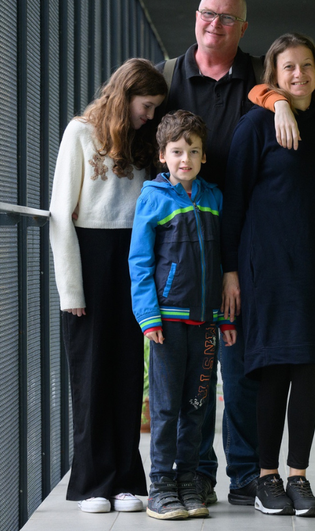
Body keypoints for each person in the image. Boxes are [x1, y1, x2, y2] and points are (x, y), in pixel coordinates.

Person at [222, 32, 315, 517]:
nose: (299, 74)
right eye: (288, 68)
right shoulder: (256, 126)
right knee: (272, 371)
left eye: (307, 65)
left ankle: (299, 477)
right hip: (268, 269)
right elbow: (234, 203)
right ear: (274, 75)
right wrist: (229, 271)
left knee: (306, 370)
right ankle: (267, 477)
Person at [156, 0, 262, 507]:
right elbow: (123, 118)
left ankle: (244, 477)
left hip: (246, 241)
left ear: (243, 28)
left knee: (239, 366)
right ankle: (191, 474)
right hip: (182, 249)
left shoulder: (262, 76)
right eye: (207, 14)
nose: (214, 24)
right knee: (189, 376)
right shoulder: (169, 77)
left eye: (227, 18)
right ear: (195, 18)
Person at [48, 57, 166, 513]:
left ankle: (124, 480)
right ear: (126, 95)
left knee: (125, 374)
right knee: (92, 375)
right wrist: (71, 290)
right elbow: (61, 215)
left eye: (156, 108)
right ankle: (91, 483)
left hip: (133, 260)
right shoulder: (79, 132)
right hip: (90, 261)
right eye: (146, 105)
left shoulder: (143, 141)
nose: (150, 115)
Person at [129, 110, 237, 520]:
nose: (185, 159)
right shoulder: (153, 199)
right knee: (166, 406)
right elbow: (139, 262)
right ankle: (161, 485)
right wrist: (149, 317)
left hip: (207, 323)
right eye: (177, 151)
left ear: (204, 156)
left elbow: (223, 259)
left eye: (193, 151)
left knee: (199, 402)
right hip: (168, 324)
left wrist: (224, 318)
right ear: (162, 156)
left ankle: (190, 480)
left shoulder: (214, 197)